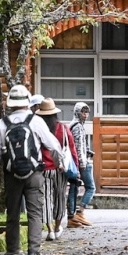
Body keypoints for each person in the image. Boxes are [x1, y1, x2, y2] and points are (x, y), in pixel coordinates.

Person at [0, 84, 64, 255]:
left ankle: (12, 254)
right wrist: (60, 164)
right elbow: (53, 145)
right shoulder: (36, 121)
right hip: (34, 174)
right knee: (35, 213)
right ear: (27, 101)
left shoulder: (2, 123)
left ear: (10, 103)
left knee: (12, 214)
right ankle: (33, 253)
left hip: (12, 175)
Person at [36, 98, 80, 239]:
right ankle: (57, 227)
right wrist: (77, 169)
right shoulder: (63, 128)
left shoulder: (38, 130)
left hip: (44, 169)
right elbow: (72, 150)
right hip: (61, 168)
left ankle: (49, 230)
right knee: (60, 197)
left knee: (46, 199)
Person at [67, 102, 96, 226]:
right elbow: (78, 147)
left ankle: (71, 217)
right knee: (91, 187)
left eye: (87, 112)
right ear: (77, 112)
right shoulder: (78, 126)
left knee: (74, 188)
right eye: (83, 112)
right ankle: (81, 212)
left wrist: (88, 151)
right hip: (80, 163)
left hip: (74, 163)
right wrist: (82, 164)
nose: (85, 115)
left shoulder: (72, 125)